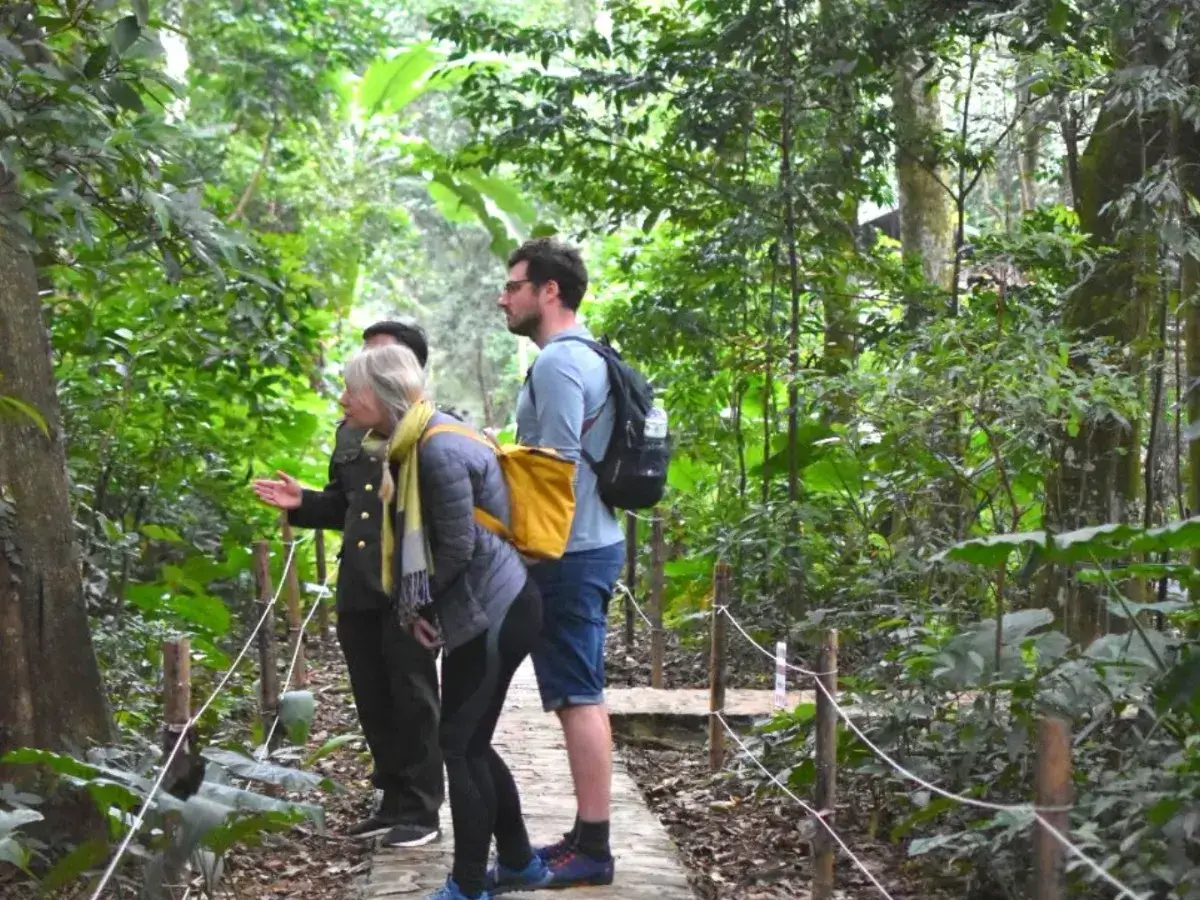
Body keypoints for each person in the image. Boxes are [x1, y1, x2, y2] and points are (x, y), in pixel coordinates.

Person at [354, 342, 550, 900]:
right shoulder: (417, 441)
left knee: (459, 746)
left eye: (351, 390)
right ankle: (517, 863)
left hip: (496, 608)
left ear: (379, 395)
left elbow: (459, 547)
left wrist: (417, 607)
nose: (344, 400)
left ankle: (467, 886)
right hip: (488, 607)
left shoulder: (435, 449)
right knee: (474, 743)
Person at [251, 321, 443, 848]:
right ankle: (392, 800)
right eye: (363, 363)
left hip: (409, 586)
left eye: (380, 363)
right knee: (372, 695)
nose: (363, 377)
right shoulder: (349, 430)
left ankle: (422, 808)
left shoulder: (435, 432)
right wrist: (304, 503)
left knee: (412, 693)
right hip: (360, 581)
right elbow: (347, 506)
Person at [490, 238, 625, 890]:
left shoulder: (558, 365)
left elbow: (555, 465)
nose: (503, 296)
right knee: (579, 690)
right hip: (587, 542)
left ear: (549, 291)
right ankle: (584, 833)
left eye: (513, 285)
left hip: (570, 551)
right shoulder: (591, 355)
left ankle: (593, 849)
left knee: (578, 695)